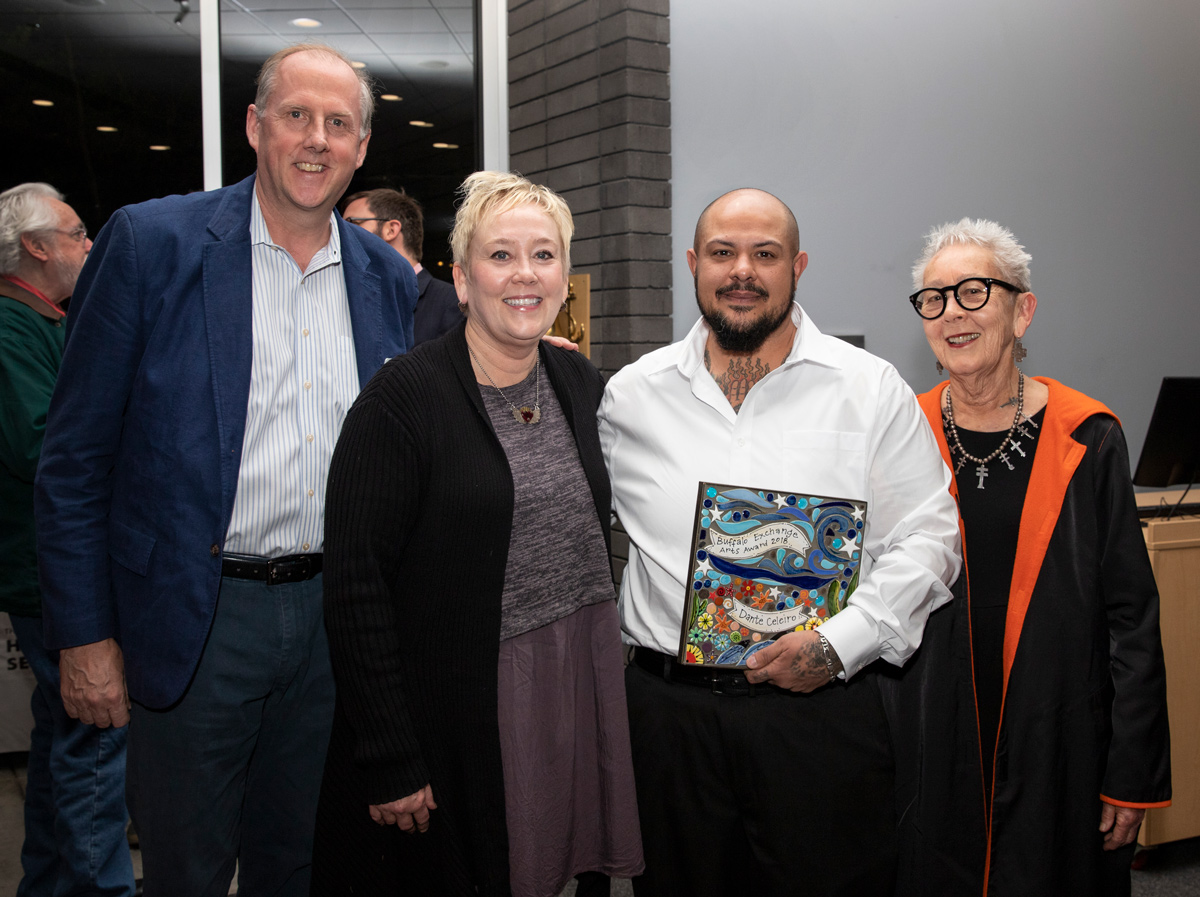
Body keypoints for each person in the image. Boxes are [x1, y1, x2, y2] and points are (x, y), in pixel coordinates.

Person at [33, 43, 417, 897]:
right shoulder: (150, 245)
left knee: (301, 865)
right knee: (187, 871)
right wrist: (84, 637)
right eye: (295, 116)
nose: (315, 140)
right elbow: (72, 461)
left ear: (360, 148)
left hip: (330, 627)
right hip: (194, 620)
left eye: (338, 124)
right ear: (254, 126)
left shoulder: (388, 281)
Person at [597, 188, 961, 896]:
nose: (743, 270)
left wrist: (841, 643)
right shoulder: (630, 397)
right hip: (670, 723)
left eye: (765, 254)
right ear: (693, 263)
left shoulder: (868, 389)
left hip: (819, 715)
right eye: (724, 253)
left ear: (796, 267)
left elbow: (929, 536)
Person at [312, 171, 643, 896]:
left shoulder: (577, 381)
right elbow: (356, 587)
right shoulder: (402, 399)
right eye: (500, 256)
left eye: (544, 255)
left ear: (564, 274)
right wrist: (391, 753)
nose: (524, 274)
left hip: (574, 684)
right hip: (465, 709)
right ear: (460, 280)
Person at [886, 218, 1170, 896]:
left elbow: (1132, 615)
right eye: (934, 297)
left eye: (974, 291)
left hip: (1059, 737)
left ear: (1023, 310)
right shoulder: (900, 433)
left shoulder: (1090, 435)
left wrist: (1130, 770)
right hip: (931, 737)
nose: (951, 311)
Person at [1, 183, 135, 897]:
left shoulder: (48, 321)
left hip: (52, 570)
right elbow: (40, 442)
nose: (90, 245)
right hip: (51, 575)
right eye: (78, 231)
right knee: (94, 736)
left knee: (59, 746)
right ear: (35, 246)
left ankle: (50, 884)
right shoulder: (10, 327)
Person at [343, 187, 461, 344]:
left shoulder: (451, 302)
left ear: (391, 230)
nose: (343, 235)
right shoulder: (354, 299)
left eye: (352, 224)